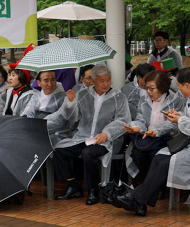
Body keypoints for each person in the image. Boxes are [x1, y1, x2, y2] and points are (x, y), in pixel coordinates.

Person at [113, 67, 190, 216]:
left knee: (166, 162)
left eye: (179, 86)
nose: (179, 90)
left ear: (187, 85)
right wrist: (178, 117)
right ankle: (140, 199)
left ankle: (136, 198)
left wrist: (180, 119)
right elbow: (188, 121)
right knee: (159, 157)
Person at [50, 64, 130, 205]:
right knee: (59, 150)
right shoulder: (83, 95)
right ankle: (72, 185)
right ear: (93, 81)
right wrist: (70, 102)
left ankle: (94, 190)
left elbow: (123, 120)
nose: (106, 84)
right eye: (102, 81)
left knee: (88, 153)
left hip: (106, 140)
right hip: (84, 137)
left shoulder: (118, 97)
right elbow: (73, 118)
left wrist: (107, 133)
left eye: (108, 80)